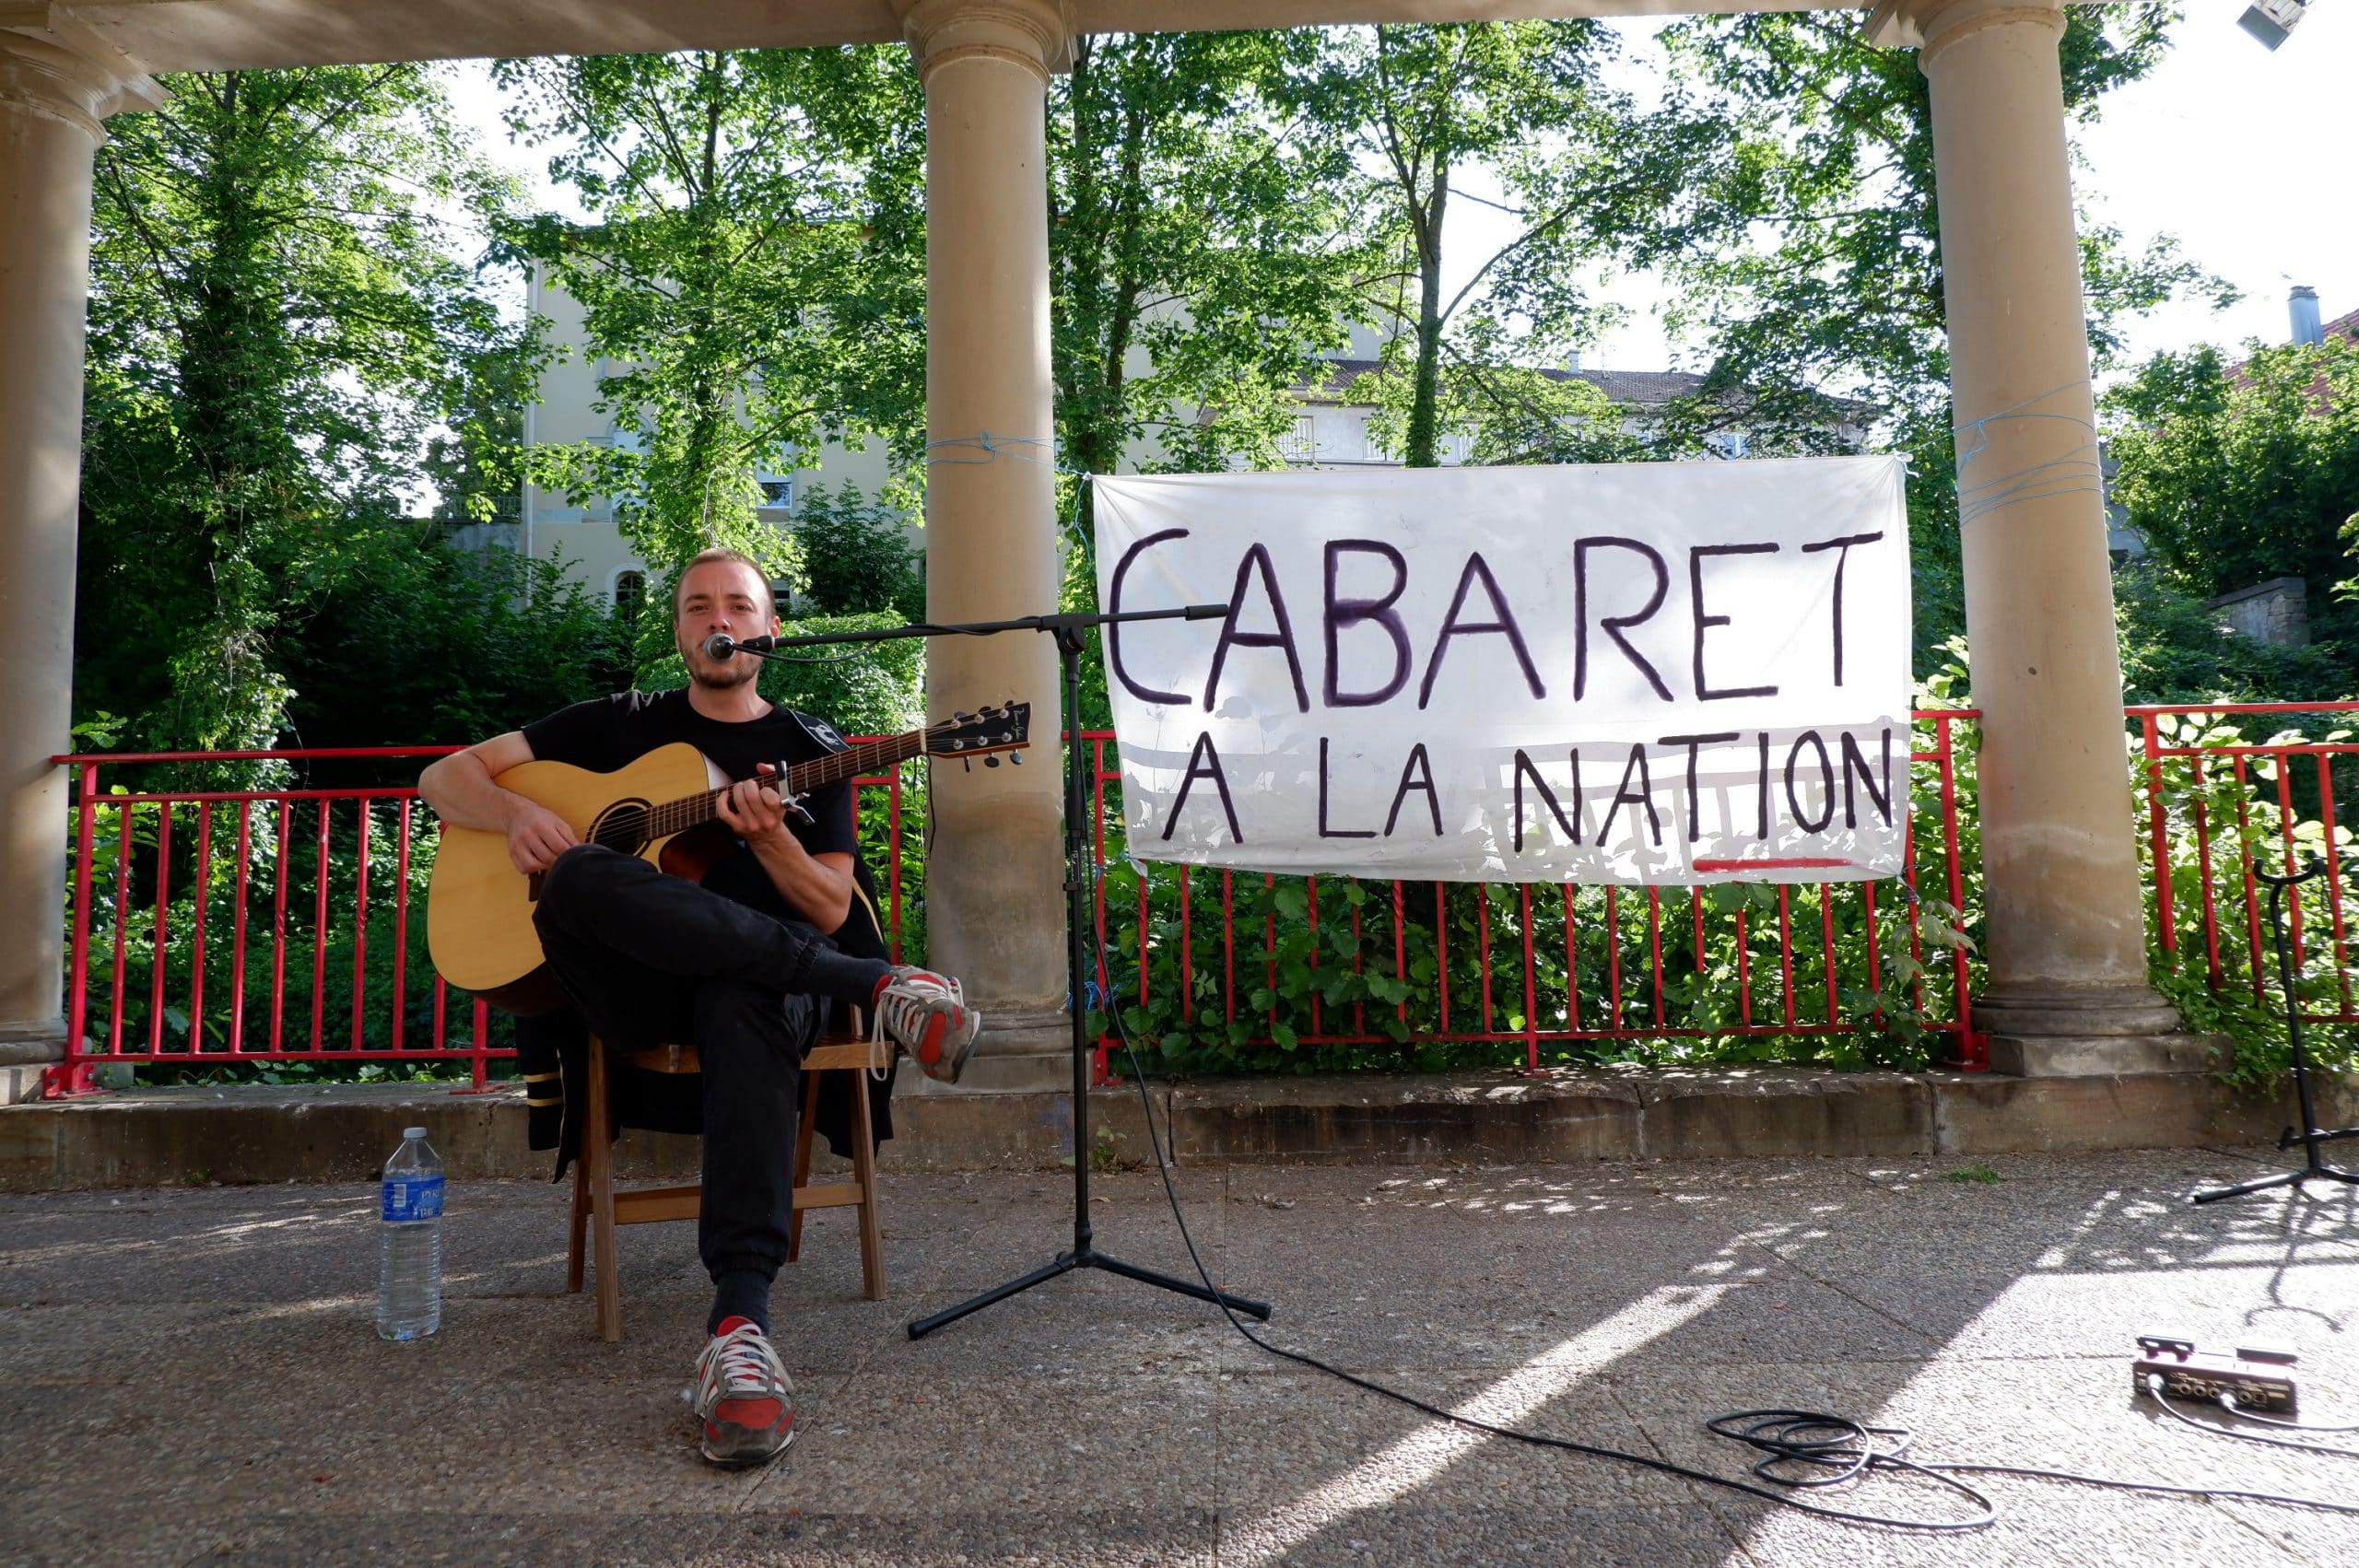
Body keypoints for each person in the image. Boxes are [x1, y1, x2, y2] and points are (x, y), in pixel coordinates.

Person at [418, 545, 980, 1469]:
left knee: (742, 988)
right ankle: (878, 986)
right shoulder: (618, 724)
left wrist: (770, 843)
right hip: (634, 992)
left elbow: (831, 908)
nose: (719, 619)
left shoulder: (813, 749)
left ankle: (739, 1329)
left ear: (770, 630)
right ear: (679, 630)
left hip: (766, 996)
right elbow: (444, 778)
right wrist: (518, 817)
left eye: (738, 605)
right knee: (576, 874)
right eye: (697, 606)